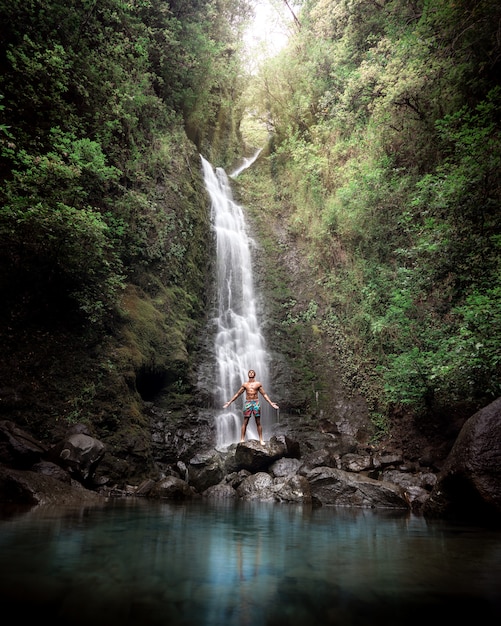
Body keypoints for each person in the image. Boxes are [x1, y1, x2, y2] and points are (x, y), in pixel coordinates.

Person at [223, 369, 279, 445]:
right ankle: (242, 439)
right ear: (248, 374)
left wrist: (271, 403)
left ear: (254, 374)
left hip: (256, 402)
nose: (251, 373)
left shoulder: (258, 384)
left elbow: (264, 394)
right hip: (248, 403)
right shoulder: (245, 384)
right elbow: (238, 394)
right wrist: (229, 402)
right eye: (250, 372)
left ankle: (261, 439)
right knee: (245, 422)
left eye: (252, 372)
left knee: (258, 422)